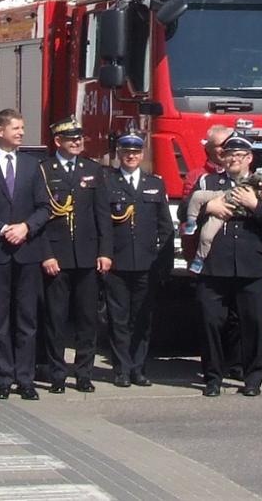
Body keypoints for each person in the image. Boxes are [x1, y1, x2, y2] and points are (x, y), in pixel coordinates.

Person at [188, 135, 262, 397]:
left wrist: (255, 206)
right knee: (211, 322)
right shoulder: (209, 182)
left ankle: (253, 378)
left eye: (238, 155)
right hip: (214, 264)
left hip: (249, 263)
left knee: (253, 324)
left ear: (249, 158)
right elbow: (186, 209)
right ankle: (213, 377)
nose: (232, 159)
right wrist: (209, 207)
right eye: (229, 154)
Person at [0, 108, 51, 400]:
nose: (21, 133)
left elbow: (45, 206)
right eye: (15, 128)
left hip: (27, 253)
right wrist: (3, 229)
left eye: (22, 128)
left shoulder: (32, 165)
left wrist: (26, 227)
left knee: (27, 320)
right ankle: (3, 376)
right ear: (0, 130)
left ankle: (25, 378)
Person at [39, 120, 112, 394]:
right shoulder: (44, 170)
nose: (77, 142)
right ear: (58, 141)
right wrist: (46, 254)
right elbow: (39, 217)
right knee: (56, 319)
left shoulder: (92, 170)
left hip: (87, 255)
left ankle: (84, 373)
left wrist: (105, 251)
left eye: (79, 137)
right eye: (71, 138)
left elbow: (102, 215)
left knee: (87, 319)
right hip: (57, 257)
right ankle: (57, 374)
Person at [102, 132, 176, 388]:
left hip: (147, 263)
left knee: (142, 319)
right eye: (126, 152)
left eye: (135, 153)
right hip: (117, 263)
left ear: (142, 155)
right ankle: (121, 369)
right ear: (119, 154)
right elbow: (102, 224)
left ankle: (138, 368)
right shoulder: (108, 182)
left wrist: (164, 263)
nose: (131, 157)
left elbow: (165, 227)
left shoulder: (154, 183)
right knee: (118, 319)